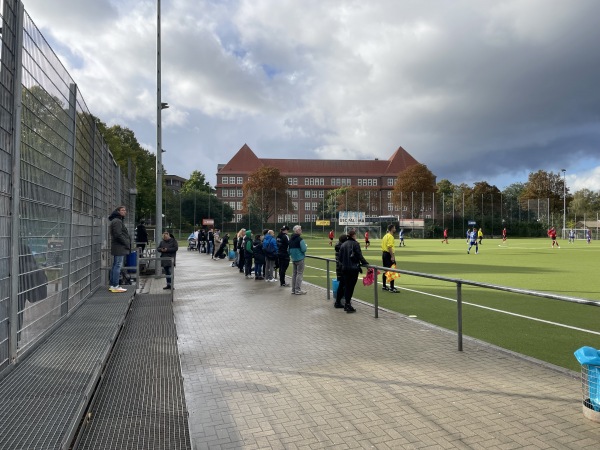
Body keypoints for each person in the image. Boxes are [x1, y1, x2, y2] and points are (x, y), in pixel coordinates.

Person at [336, 229, 369, 313]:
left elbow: (340, 258)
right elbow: (359, 255)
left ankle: (345, 303)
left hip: (345, 268)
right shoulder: (355, 244)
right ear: (353, 236)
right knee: (350, 287)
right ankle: (347, 304)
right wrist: (366, 264)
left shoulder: (343, 245)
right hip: (353, 268)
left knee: (346, 286)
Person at [108, 206, 131, 293]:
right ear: (118, 211)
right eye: (122, 210)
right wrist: (126, 243)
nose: (125, 212)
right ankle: (115, 285)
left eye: (125, 210)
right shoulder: (117, 221)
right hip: (119, 246)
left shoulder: (116, 220)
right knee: (117, 265)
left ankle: (113, 285)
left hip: (117, 246)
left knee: (115, 265)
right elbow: (118, 234)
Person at [288, 225, 308, 295]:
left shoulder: (290, 240)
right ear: (297, 231)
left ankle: (293, 289)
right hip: (300, 258)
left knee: (294, 274)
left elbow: (288, 250)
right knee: (299, 274)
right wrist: (305, 246)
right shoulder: (300, 239)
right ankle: (298, 290)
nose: (301, 231)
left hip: (293, 259)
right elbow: (304, 249)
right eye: (300, 230)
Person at [381, 224, 399, 293]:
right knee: (392, 270)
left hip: (384, 254)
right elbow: (389, 247)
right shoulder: (390, 236)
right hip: (389, 254)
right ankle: (392, 287)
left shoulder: (385, 236)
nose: (395, 229)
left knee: (385, 270)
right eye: (394, 228)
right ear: (391, 229)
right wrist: (392, 256)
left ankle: (384, 286)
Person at [333, 234, 348, 308]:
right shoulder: (342, 248)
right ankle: (340, 301)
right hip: (342, 268)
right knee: (343, 285)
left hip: (339, 268)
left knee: (342, 285)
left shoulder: (338, 247)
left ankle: (339, 301)